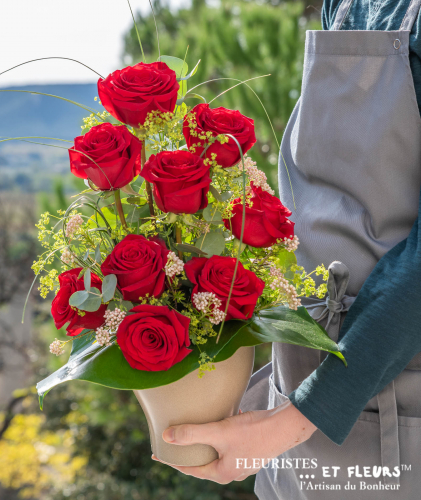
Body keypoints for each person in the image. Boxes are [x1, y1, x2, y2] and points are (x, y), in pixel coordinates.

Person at [153, 1, 421, 498]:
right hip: (305, 392)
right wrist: (259, 394)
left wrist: (289, 422)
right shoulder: (349, 4)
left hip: (392, 415)